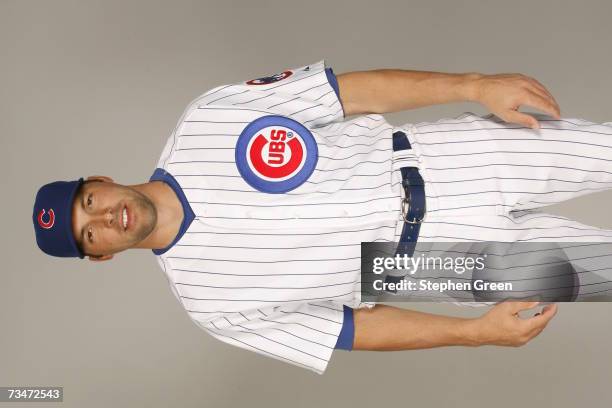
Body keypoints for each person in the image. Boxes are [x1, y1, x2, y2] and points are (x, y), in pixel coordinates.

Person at [34, 59, 612, 374]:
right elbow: (352, 329)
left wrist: (471, 84)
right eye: (90, 236)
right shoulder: (212, 306)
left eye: (89, 203)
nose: (105, 219)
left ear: (101, 181)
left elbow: (348, 95)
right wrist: (473, 335)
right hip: (435, 268)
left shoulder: (205, 121)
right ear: (101, 256)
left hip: (433, 161)